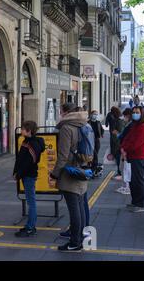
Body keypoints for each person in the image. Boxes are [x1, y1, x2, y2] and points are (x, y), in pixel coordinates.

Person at [49, 103, 89, 252]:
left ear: (66, 113)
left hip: (70, 173)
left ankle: (75, 243)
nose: (60, 114)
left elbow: (63, 156)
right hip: (82, 170)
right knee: (80, 207)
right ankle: (79, 237)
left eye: (60, 112)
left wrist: (54, 174)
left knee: (74, 210)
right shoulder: (83, 124)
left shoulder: (66, 128)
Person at [13, 121, 46, 237]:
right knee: (30, 201)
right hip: (25, 175)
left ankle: (31, 227)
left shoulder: (33, 144)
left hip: (29, 175)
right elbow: (20, 159)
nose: (21, 131)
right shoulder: (26, 141)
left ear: (29, 131)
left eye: (23, 129)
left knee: (31, 203)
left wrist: (19, 173)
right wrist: (16, 171)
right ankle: (30, 226)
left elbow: (29, 162)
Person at [120, 106, 144, 213]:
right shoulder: (135, 125)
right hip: (131, 156)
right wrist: (123, 148)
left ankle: (141, 205)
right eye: (133, 112)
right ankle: (135, 202)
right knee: (132, 180)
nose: (134, 114)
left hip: (139, 157)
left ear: (142, 113)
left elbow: (136, 144)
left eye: (137, 112)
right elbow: (127, 138)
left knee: (138, 180)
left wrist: (125, 149)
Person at [115, 109, 133, 194]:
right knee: (123, 168)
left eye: (125, 116)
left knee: (126, 168)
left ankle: (127, 187)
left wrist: (118, 135)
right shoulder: (129, 124)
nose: (124, 117)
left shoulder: (130, 125)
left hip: (126, 150)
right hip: (124, 148)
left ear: (128, 116)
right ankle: (125, 186)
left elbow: (124, 136)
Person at [110, 107, 125, 180]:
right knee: (118, 159)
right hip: (116, 143)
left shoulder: (118, 121)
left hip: (117, 144)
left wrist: (115, 133)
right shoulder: (116, 120)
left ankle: (120, 173)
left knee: (119, 159)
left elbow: (119, 132)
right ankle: (119, 173)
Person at [88, 110, 104, 175]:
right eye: (94, 114)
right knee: (94, 154)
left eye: (96, 114)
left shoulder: (98, 122)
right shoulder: (88, 123)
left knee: (95, 153)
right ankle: (93, 168)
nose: (95, 116)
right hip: (90, 140)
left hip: (97, 140)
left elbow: (102, 129)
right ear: (91, 115)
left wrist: (101, 135)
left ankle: (93, 167)